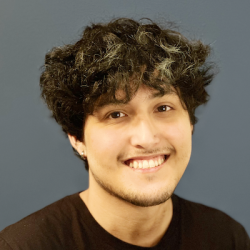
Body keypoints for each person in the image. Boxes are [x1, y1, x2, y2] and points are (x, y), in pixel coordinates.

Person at [0, 18, 249, 250]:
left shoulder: (225, 238)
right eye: (116, 114)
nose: (146, 138)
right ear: (77, 138)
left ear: (190, 124)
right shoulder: (25, 245)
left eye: (163, 108)